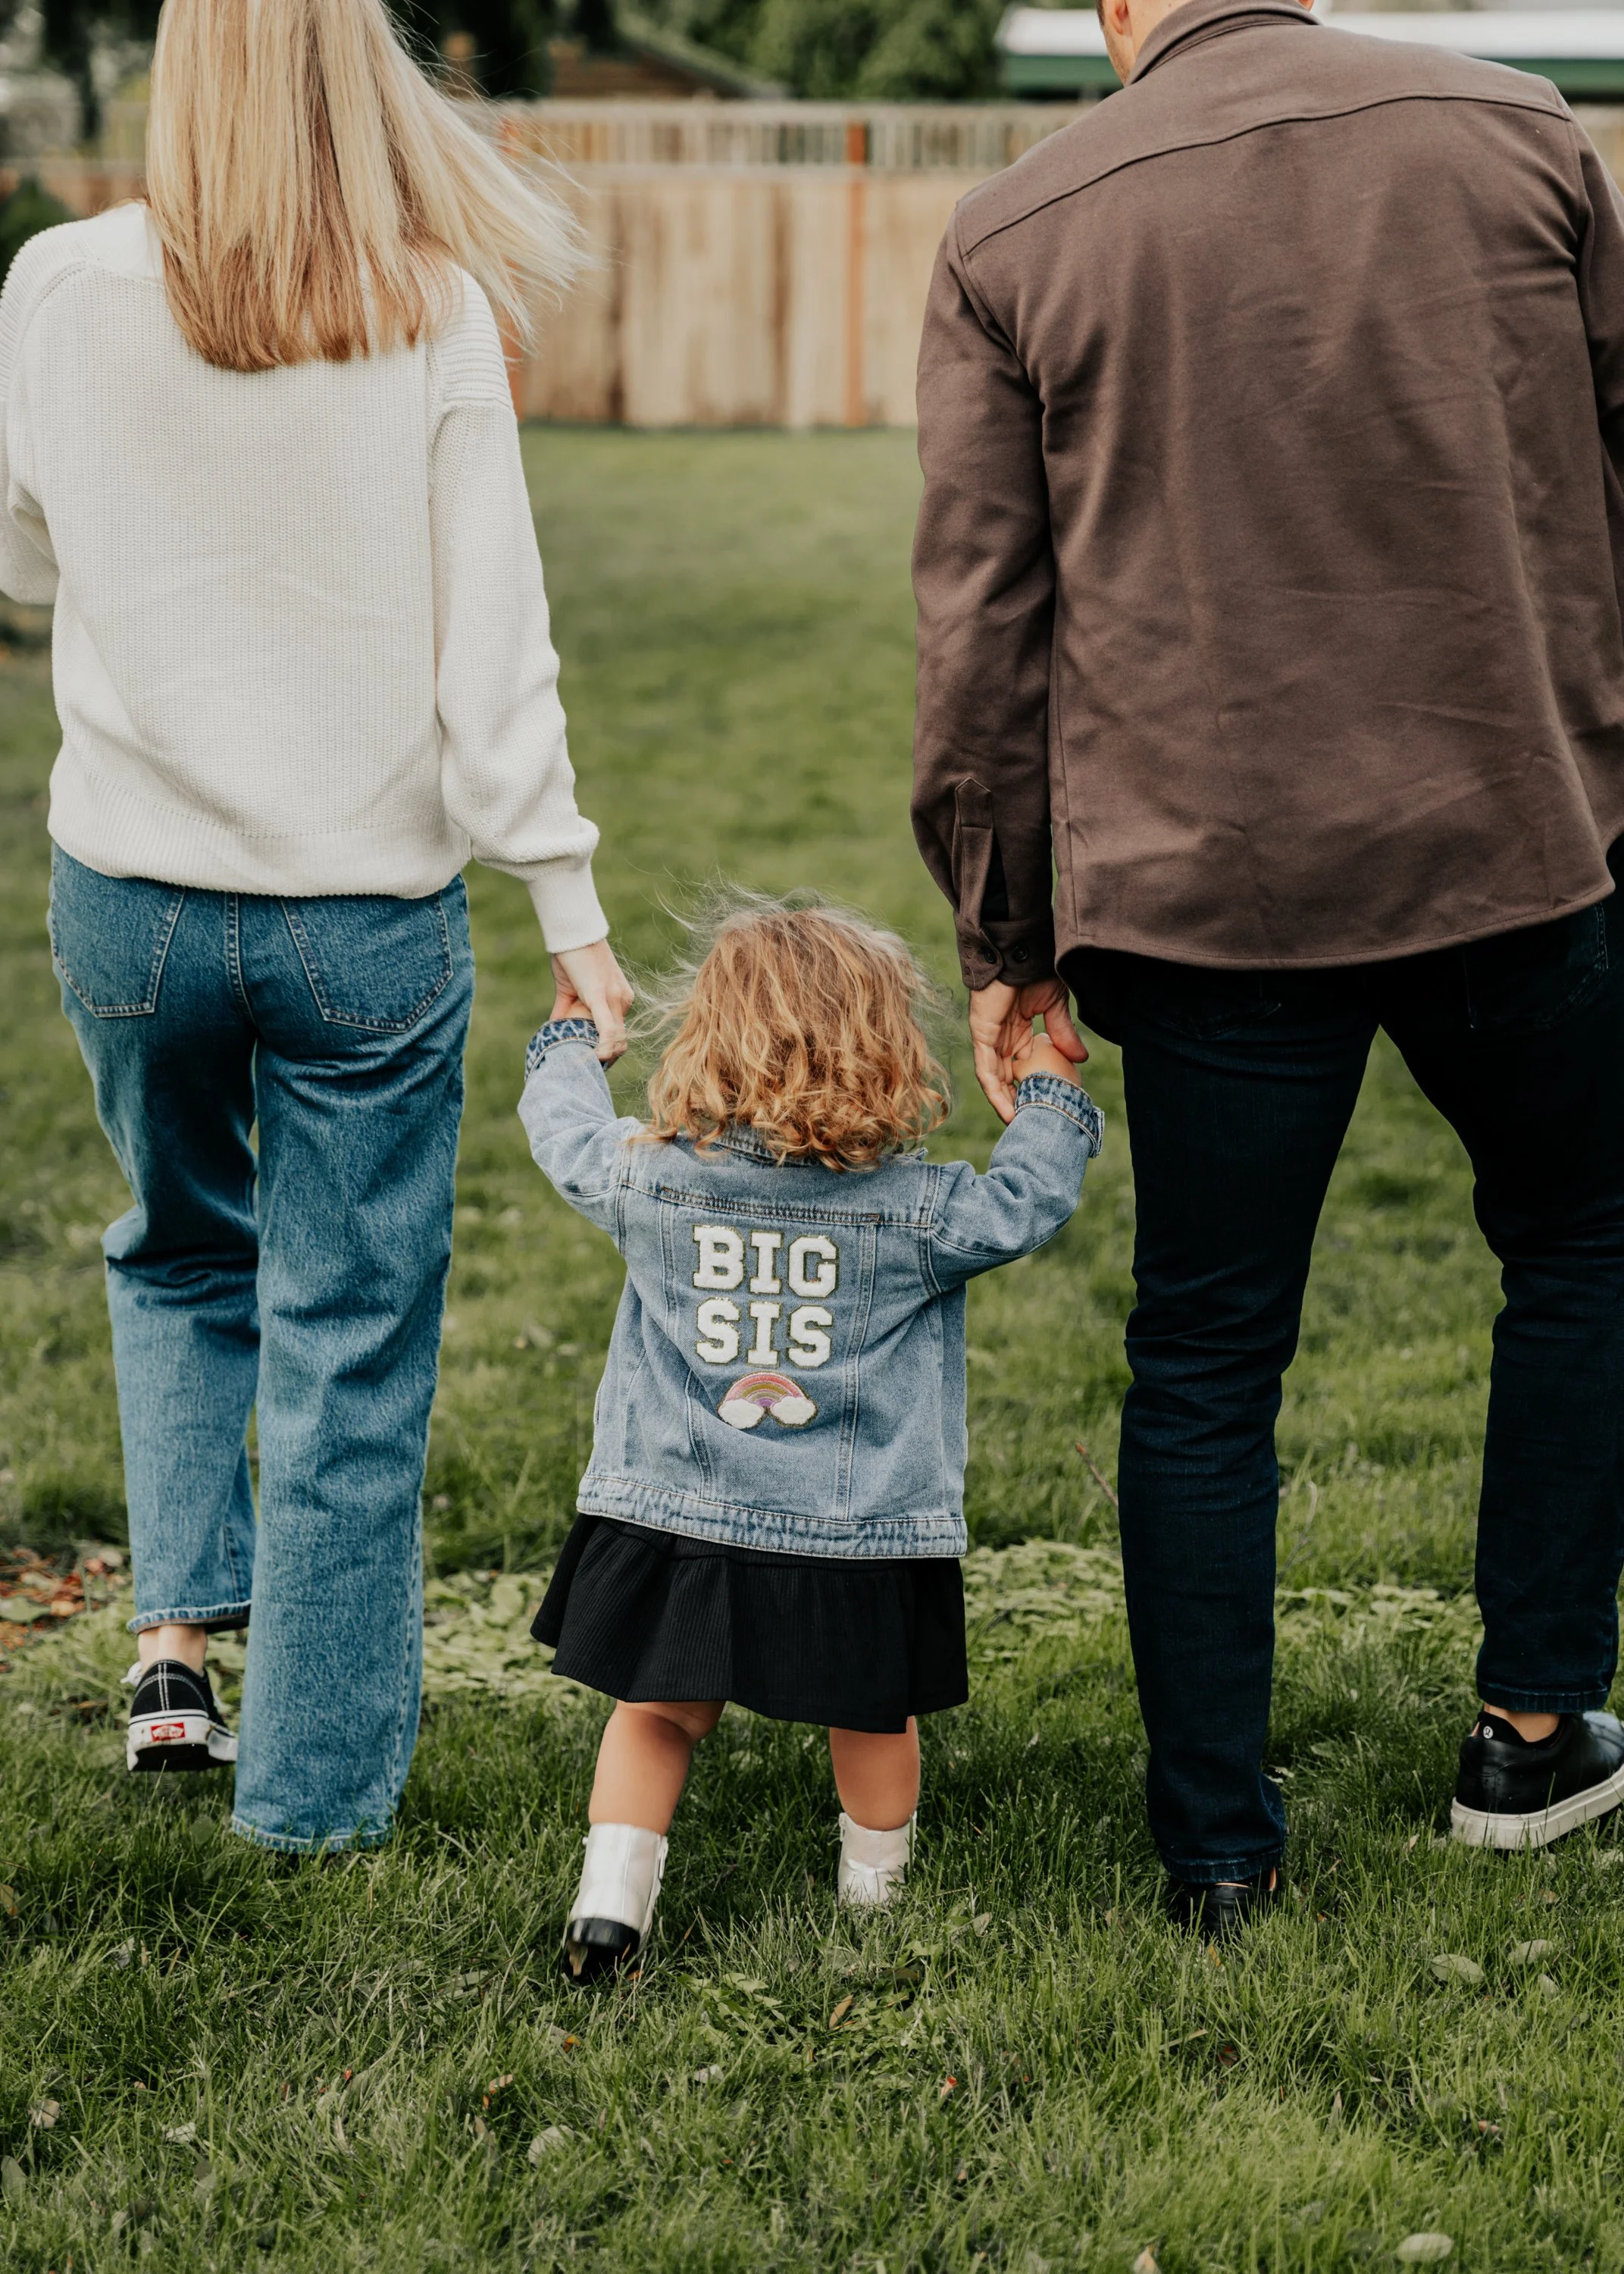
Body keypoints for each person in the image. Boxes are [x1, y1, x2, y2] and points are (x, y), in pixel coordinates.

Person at [912, 0, 1624, 1930]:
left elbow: (984, 625)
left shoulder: (1016, 227)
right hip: (1520, 844)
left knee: (1208, 1357)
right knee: (1583, 1245)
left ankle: (1222, 1852)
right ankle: (1536, 1729)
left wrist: (1005, 936)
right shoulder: (1524, 133)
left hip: (1210, 893)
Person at [0, 0, 633, 1851]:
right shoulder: (429, 302)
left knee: (179, 1252)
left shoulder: (54, 285)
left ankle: (177, 1650)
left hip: (131, 909)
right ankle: (311, 1810)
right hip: (365, 921)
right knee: (350, 1345)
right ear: (354, 76)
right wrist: (572, 905)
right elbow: (493, 654)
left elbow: (22, 556)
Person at [518, 898, 1101, 1978]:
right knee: (870, 1716)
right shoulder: (918, 1213)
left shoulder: (646, 1180)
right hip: (858, 1531)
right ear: (886, 1049)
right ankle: (875, 1909)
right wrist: (1053, 1099)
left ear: (705, 1034)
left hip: (674, 1518)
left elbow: (560, 1136)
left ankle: (607, 1914)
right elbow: (1025, 1200)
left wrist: (568, 1037)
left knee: (655, 1711)